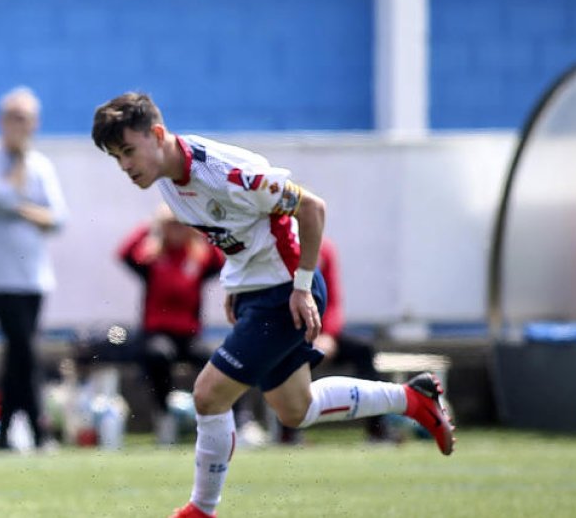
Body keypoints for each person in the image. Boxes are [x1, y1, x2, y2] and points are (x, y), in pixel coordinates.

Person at [90, 93, 455, 518]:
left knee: (208, 396)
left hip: (284, 293)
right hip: (256, 293)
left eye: (129, 151)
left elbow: (312, 210)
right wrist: (236, 286)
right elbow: (236, 229)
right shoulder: (168, 181)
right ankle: (412, 399)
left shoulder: (227, 172)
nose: (125, 166)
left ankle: (201, 510)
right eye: (117, 158)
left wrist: (301, 287)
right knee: (296, 409)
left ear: (157, 134)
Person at [0, 86, 67, 451]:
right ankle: (39, 432)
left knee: (18, 353)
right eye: (12, 117)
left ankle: (6, 434)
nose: (17, 125)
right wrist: (28, 204)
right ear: (1, 120)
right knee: (25, 349)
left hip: (33, 279)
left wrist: (26, 207)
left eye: (24, 119)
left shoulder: (43, 165)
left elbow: (58, 219)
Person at [117, 204, 224, 445]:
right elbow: (124, 253)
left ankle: (221, 417)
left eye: (180, 224)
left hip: (189, 336)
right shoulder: (152, 256)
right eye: (171, 224)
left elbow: (222, 258)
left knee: (220, 359)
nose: (176, 229)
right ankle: (163, 413)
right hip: (157, 333)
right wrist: (153, 225)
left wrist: (199, 224)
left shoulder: (198, 257)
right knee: (158, 354)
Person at [277, 236, 394, 444]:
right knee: (287, 357)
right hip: (292, 332)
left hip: (322, 332)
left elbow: (333, 299)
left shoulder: (325, 249)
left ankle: (377, 430)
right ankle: (288, 433)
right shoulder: (277, 247)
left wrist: (328, 335)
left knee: (363, 350)